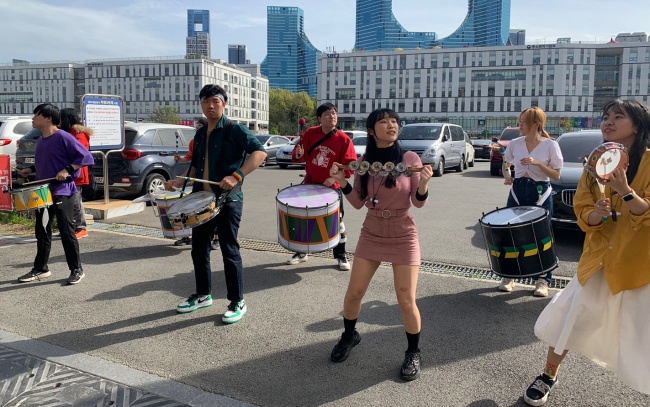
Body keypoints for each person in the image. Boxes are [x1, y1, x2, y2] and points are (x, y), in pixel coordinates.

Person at [522, 99, 650, 405]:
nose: (608, 122)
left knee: (640, 334)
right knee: (570, 318)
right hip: (599, 259)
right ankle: (548, 374)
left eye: (618, 116)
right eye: (605, 117)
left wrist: (625, 192)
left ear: (637, 125)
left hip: (638, 264)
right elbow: (583, 211)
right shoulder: (596, 163)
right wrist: (596, 213)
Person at [328, 108, 433, 381]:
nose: (391, 125)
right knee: (355, 292)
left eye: (394, 121)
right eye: (384, 122)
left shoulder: (409, 159)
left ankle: (413, 352)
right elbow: (358, 202)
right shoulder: (364, 162)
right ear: (371, 130)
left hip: (403, 232)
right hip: (372, 230)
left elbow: (418, 202)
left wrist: (423, 185)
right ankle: (349, 335)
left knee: (406, 299)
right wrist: (342, 182)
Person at [165, 84, 266, 324]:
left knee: (229, 250)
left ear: (224, 104)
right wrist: (180, 180)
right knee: (198, 249)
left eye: (215, 101)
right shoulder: (200, 133)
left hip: (228, 200)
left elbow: (260, 153)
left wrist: (236, 176)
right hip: (201, 201)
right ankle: (203, 295)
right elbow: (195, 165)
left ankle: (237, 300)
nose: (210, 106)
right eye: (205, 101)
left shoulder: (234, 129)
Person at [18, 103, 94, 285]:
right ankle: (41, 269)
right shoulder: (41, 140)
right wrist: (31, 169)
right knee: (42, 230)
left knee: (66, 231)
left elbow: (86, 157)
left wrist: (67, 170)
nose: (32, 118)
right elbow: (48, 162)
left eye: (36, 115)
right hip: (43, 193)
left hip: (63, 192)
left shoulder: (63, 137)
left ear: (48, 118)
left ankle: (77, 269)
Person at [499, 107, 563, 297]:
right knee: (511, 231)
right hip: (518, 188)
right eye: (520, 121)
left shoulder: (550, 145)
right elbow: (506, 163)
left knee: (541, 235)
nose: (520, 125)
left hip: (540, 190)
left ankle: (543, 280)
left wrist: (538, 163)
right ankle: (509, 276)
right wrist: (507, 175)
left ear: (537, 124)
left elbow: (556, 175)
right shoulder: (515, 143)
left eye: (524, 122)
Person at [286, 103, 357, 271]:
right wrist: (298, 154)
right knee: (303, 219)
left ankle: (340, 255)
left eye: (333, 113)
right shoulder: (310, 133)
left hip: (332, 188)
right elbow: (299, 155)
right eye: (327, 114)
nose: (331, 116)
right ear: (319, 118)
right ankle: (302, 252)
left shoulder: (343, 139)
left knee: (337, 222)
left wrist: (333, 179)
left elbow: (350, 165)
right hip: (310, 185)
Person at [172, 117, 219, 250]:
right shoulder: (195, 140)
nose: (198, 128)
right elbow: (192, 159)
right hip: (199, 183)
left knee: (214, 211)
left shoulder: (217, 138)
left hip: (215, 184)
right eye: (197, 126)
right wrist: (181, 160)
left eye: (200, 126)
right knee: (196, 212)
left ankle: (217, 238)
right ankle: (191, 236)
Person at [59, 108, 93, 240]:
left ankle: (81, 227)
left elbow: (80, 155)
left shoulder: (79, 134)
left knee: (76, 201)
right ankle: (72, 227)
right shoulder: (70, 133)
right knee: (70, 201)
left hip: (77, 173)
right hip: (70, 172)